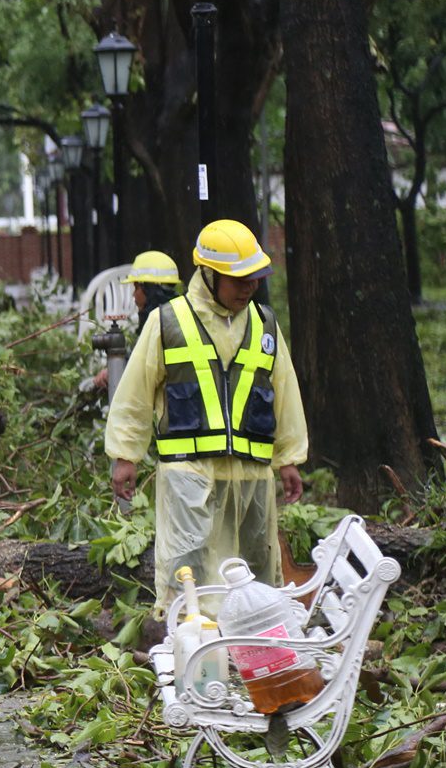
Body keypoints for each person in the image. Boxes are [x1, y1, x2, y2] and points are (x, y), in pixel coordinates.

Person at [105, 219, 308, 614]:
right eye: (239, 279)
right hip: (188, 473)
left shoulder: (264, 324)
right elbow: (135, 393)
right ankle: (192, 644)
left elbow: (285, 392)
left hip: (252, 476)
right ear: (209, 274)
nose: (249, 287)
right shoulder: (168, 322)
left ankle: (253, 646)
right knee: (188, 566)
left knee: (255, 572)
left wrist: (288, 458)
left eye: (254, 278)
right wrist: (125, 455)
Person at [90, 250, 186, 392]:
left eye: (136, 287)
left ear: (150, 289)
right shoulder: (179, 317)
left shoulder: (159, 324)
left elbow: (140, 365)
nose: (133, 294)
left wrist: (114, 370)